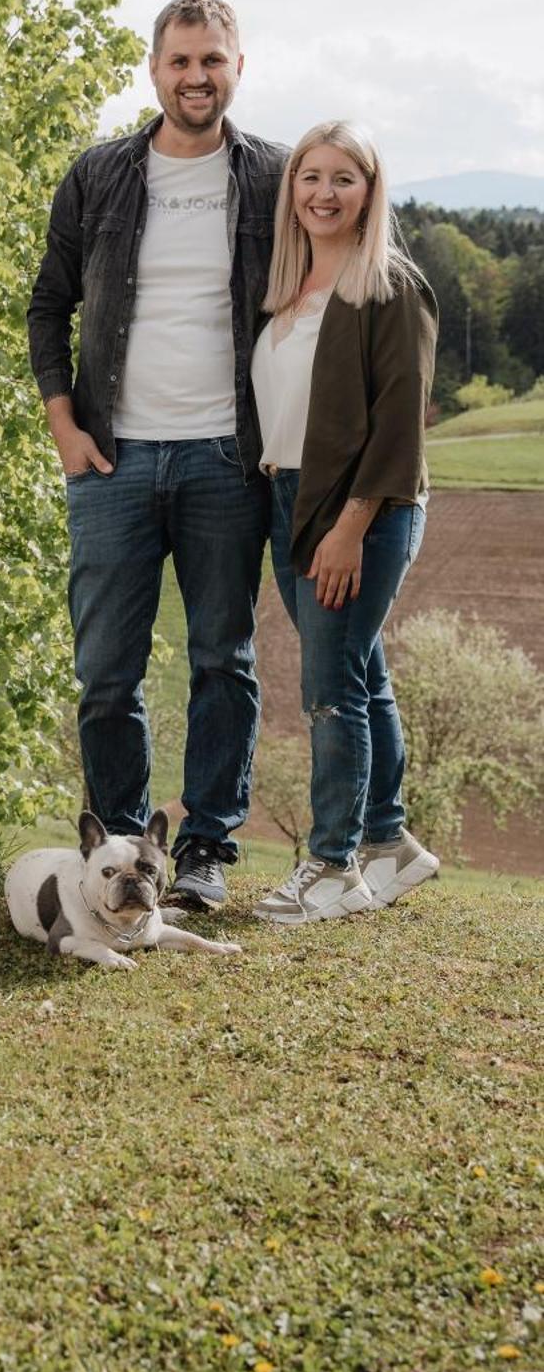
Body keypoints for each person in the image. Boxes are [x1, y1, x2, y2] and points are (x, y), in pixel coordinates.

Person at [27, 0, 288, 911]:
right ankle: (118, 854)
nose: (195, 77)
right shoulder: (99, 174)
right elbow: (46, 304)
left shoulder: (277, 177)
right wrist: (64, 425)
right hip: (112, 462)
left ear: (237, 67)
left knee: (222, 656)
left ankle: (207, 853)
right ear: (154, 69)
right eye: (179, 61)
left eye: (211, 60)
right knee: (107, 671)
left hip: (226, 456)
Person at [249, 121, 439, 925]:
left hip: (360, 506)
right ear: (290, 189)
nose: (323, 193)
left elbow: (400, 423)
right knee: (361, 676)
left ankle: (330, 867)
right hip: (286, 497)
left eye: (343, 179)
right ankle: (390, 846)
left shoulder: (388, 287)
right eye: (309, 177)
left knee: (330, 691)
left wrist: (349, 527)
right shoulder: (287, 291)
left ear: (370, 193)